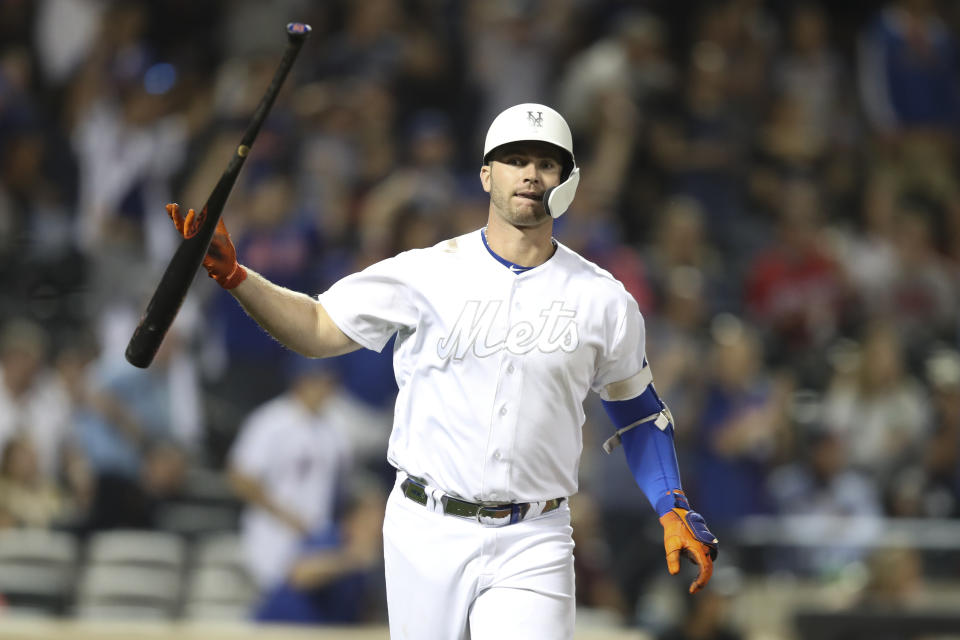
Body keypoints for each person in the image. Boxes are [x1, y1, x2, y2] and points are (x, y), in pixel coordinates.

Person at [166, 103, 717, 639]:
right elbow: (315, 326)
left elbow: (640, 416)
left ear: (568, 180)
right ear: (485, 175)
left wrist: (671, 504)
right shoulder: (425, 273)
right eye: (515, 159)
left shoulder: (605, 300)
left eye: (546, 163)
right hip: (425, 528)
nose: (530, 174)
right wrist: (238, 276)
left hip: (536, 535)